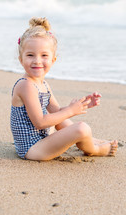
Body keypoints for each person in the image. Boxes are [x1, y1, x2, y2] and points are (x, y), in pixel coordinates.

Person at [10, 17, 118, 161]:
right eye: (30, 55)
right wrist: (71, 111)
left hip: (42, 141)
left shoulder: (44, 85)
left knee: (63, 120)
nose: (37, 60)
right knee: (81, 128)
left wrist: (81, 105)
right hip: (32, 149)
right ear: (21, 59)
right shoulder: (26, 85)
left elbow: (57, 113)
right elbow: (40, 122)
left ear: (53, 60)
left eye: (44, 55)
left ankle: (90, 139)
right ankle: (95, 149)